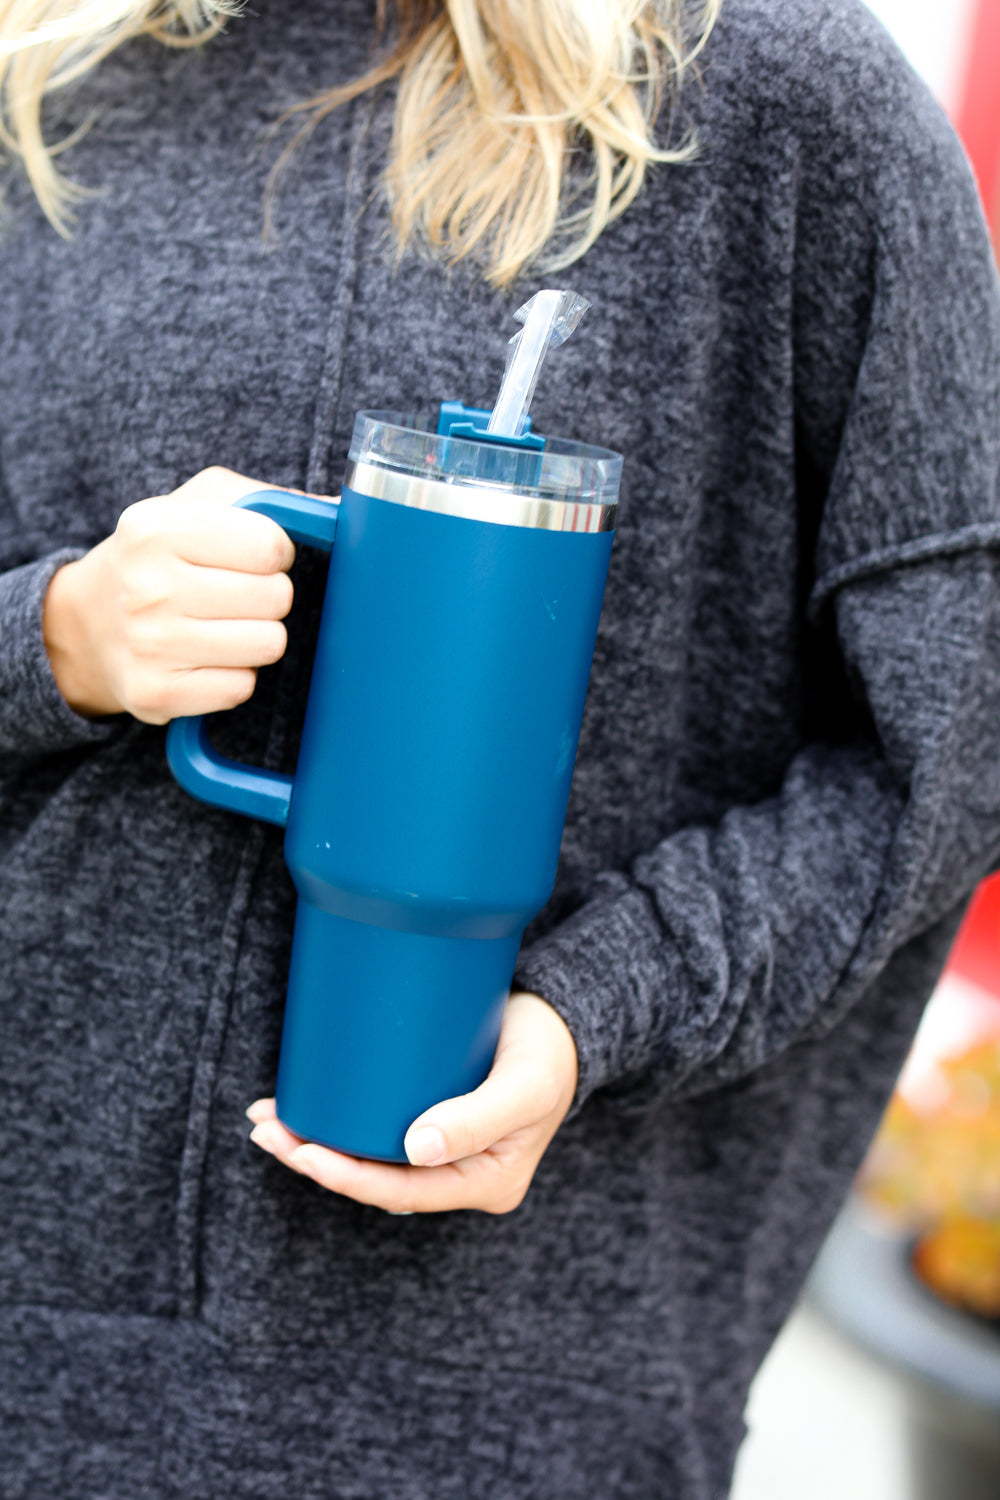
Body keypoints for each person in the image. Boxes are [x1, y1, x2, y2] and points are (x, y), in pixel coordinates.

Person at [1, 0, 998, 1495]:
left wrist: (606, 1007)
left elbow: (959, 716)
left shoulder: (783, 94)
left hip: (501, 1387)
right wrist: (55, 637)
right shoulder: (58, 104)